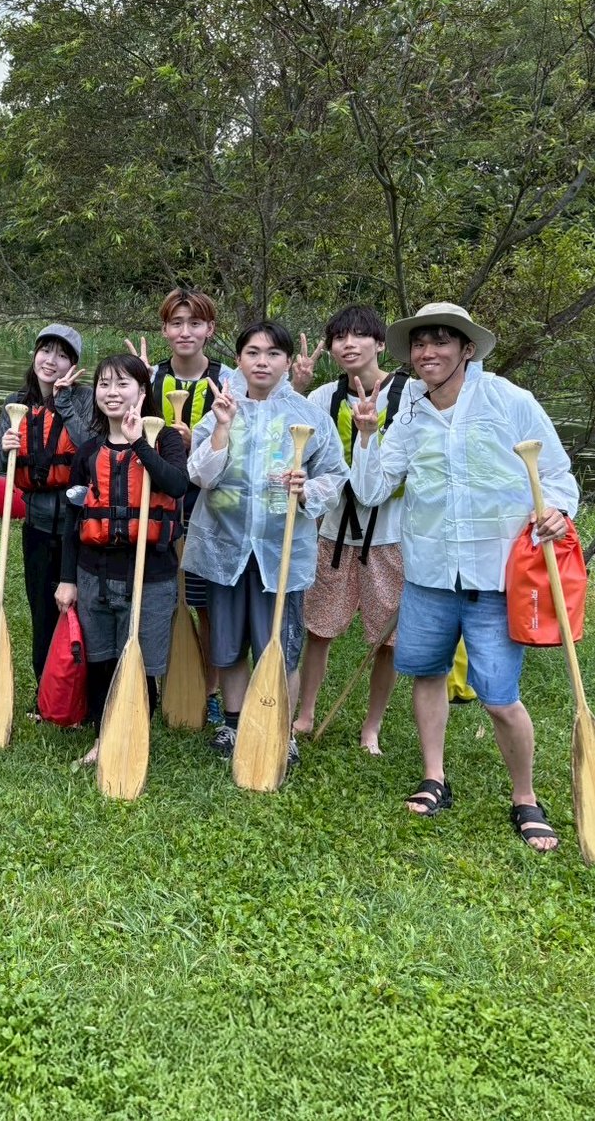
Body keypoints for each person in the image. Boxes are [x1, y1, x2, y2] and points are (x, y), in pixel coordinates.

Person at [349, 302, 578, 852]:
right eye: (419, 343)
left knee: (499, 697)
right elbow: (372, 490)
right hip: (429, 574)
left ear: (466, 349)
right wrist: (366, 436)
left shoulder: (509, 400)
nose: (427, 352)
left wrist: (557, 512)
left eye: (440, 341)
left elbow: (557, 475)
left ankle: (525, 797)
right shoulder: (408, 412)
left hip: (495, 578)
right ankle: (434, 777)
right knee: (427, 674)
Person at [183, 320, 348, 767]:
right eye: (253, 352)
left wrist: (306, 489)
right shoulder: (220, 409)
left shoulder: (308, 417)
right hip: (226, 547)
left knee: (281, 646)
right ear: (239, 359)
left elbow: (335, 475)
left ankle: (280, 729)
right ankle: (234, 723)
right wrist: (221, 428)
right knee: (228, 645)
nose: (262, 362)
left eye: (273, 353)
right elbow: (200, 475)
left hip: (280, 551)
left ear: (287, 362)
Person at [54, 353, 189, 767]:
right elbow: (73, 519)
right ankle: (102, 737)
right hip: (93, 572)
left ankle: (132, 736)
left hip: (150, 576)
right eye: (104, 384)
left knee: (140, 663)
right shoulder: (88, 450)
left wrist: (138, 443)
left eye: (122, 383)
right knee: (100, 660)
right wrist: (67, 579)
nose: (112, 392)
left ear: (142, 391)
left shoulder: (165, 439)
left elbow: (176, 484)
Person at [292, 305, 408, 754]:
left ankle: (371, 726)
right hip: (333, 533)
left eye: (360, 335)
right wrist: (297, 388)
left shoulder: (409, 394)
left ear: (380, 343)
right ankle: (305, 714)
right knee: (318, 629)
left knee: (387, 639)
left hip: (391, 537)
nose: (348, 344)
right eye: (340, 337)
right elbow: (291, 438)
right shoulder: (324, 397)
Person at [128, 288, 233, 721]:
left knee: (204, 602)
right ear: (164, 330)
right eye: (176, 323)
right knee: (158, 595)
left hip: (208, 505)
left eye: (195, 323)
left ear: (210, 329)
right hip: (156, 501)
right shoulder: (150, 377)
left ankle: (209, 689)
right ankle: (152, 682)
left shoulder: (229, 380)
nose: (185, 331)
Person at [0, 324, 93, 706]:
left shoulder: (86, 399)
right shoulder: (16, 403)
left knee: (78, 609)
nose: (51, 361)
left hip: (77, 525)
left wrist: (64, 403)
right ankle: (44, 692)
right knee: (42, 610)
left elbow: (92, 449)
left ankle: (79, 690)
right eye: (45, 351)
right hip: (35, 523)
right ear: (35, 355)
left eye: (62, 355)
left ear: (73, 364)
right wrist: (4, 449)